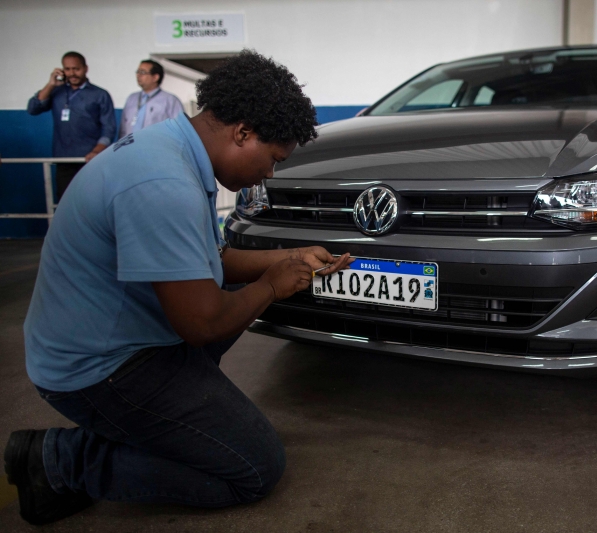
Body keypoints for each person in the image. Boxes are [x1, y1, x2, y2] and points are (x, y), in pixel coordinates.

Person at [4, 50, 353, 525]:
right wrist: (272, 285)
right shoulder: (163, 181)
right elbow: (201, 323)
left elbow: (210, 261)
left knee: (234, 306)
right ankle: (62, 460)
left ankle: (163, 417)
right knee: (254, 468)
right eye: (273, 159)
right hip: (96, 369)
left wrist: (288, 258)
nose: (270, 173)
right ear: (243, 133)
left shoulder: (171, 147)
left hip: (119, 338)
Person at [27, 51, 116, 201]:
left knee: (91, 202)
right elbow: (33, 109)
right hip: (64, 160)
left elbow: (109, 128)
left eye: (76, 69)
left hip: (90, 161)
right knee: (64, 203)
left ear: (85, 68)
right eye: (67, 69)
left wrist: (97, 151)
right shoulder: (56, 91)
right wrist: (50, 84)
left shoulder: (99, 94)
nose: (72, 73)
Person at [118, 59, 184, 138]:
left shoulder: (171, 100)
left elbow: (179, 128)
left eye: (142, 72)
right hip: (129, 147)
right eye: (137, 72)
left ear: (155, 77)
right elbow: (123, 129)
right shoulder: (131, 98)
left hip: (156, 148)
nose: (138, 75)